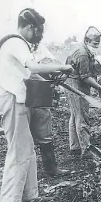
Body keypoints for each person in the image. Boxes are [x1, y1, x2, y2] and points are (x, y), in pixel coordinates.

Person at [0, 8, 73, 202]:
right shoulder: (15, 42)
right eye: (38, 30)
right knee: (18, 149)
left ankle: (29, 196)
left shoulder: (19, 43)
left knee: (27, 148)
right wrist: (62, 67)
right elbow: (33, 67)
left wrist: (51, 78)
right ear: (30, 27)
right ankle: (8, 200)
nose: (38, 35)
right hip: (12, 99)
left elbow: (29, 74)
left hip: (20, 99)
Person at [65, 26, 101, 159]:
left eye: (97, 44)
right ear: (86, 40)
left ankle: (75, 147)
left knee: (75, 116)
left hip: (73, 82)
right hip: (76, 84)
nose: (96, 46)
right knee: (82, 117)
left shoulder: (86, 51)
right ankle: (86, 149)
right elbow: (85, 77)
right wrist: (100, 88)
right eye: (94, 44)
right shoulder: (83, 53)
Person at [31, 44, 70, 177]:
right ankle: (29, 171)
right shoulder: (22, 52)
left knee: (45, 132)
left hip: (41, 97)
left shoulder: (41, 50)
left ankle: (51, 167)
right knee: (25, 137)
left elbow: (53, 69)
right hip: (25, 97)